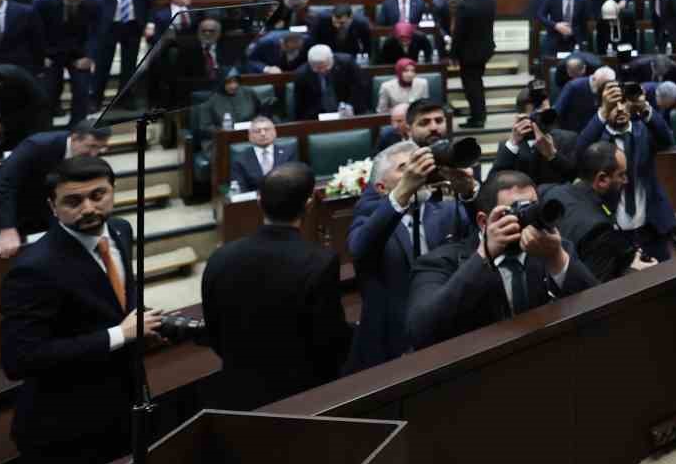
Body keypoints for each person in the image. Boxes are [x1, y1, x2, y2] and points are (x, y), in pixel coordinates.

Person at [0, 157, 163, 464]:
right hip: (68, 428)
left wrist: (142, 326)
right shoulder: (33, 269)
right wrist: (119, 334)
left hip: (123, 403)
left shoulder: (119, 230)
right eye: (73, 201)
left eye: (98, 195)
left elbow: (116, 297)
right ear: (52, 206)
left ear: (113, 192)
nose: (88, 208)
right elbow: (20, 359)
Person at [201, 163, 351, 410]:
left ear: (259, 201)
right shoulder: (320, 262)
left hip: (237, 393)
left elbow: (214, 332)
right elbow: (329, 340)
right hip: (304, 396)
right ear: (309, 204)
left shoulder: (221, 257)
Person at [404, 171, 598, 351]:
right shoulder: (439, 261)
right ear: (483, 221)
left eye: (532, 207)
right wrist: (484, 255)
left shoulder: (553, 248)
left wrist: (557, 258)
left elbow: (598, 307)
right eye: (516, 210)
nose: (527, 217)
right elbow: (421, 332)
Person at [345, 141, 476, 372]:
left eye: (419, 164)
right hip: (390, 342)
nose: (418, 172)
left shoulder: (446, 211)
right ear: (382, 187)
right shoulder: (370, 216)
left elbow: (481, 235)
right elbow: (360, 249)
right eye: (404, 167)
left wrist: (468, 191)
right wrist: (404, 190)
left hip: (447, 332)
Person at [0, 120, 111, 258]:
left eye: (100, 148)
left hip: (41, 207)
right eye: (91, 146)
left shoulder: (89, 155)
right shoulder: (38, 145)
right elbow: (5, 182)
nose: (94, 154)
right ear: (74, 138)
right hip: (3, 208)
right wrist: (7, 227)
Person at [578, 80, 676, 260]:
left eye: (624, 102)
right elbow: (579, 152)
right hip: (614, 228)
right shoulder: (597, 140)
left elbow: (667, 139)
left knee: (663, 277)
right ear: (605, 108)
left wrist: (644, 106)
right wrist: (602, 112)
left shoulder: (643, 131)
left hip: (650, 225)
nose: (621, 108)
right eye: (614, 105)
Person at [541, 141, 650, 281]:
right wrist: (631, 272)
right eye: (621, 175)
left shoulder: (553, 193)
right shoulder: (599, 229)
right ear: (602, 179)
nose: (626, 180)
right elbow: (597, 293)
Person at [88, 0, 152, 105]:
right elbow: (91, 3)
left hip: (132, 25)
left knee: (129, 65)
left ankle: (125, 99)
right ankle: (96, 98)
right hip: (107, 26)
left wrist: (150, 23)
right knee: (103, 64)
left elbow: (150, 2)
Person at [451, 0, 496, 128]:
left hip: (469, 53)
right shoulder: (490, 0)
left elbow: (458, 33)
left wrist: (453, 54)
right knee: (477, 82)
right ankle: (479, 115)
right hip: (486, 49)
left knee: (472, 86)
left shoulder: (464, 5)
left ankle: (477, 118)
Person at [292, 44, 367, 120]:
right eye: (318, 68)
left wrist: (350, 106)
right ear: (310, 64)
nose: (322, 71)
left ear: (332, 59)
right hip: (317, 118)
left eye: (325, 67)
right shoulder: (301, 75)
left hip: (349, 114)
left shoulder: (348, 64)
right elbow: (300, 106)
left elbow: (359, 89)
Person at [229, 116, 296, 192]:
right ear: (250, 136)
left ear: (274, 133)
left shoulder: (288, 152)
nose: (263, 134)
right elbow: (240, 189)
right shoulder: (240, 160)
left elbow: (294, 180)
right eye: (257, 131)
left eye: (267, 130)